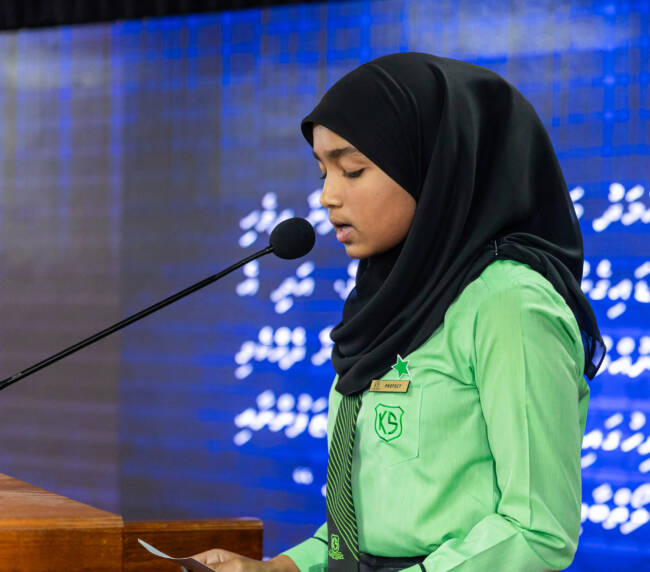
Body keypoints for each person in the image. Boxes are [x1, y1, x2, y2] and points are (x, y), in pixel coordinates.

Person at [191, 52, 606, 572]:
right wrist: (280, 569)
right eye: (322, 172)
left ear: (432, 166)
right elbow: (371, 527)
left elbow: (537, 531)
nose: (327, 196)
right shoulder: (386, 301)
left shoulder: (509, 302)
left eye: (352, 170)